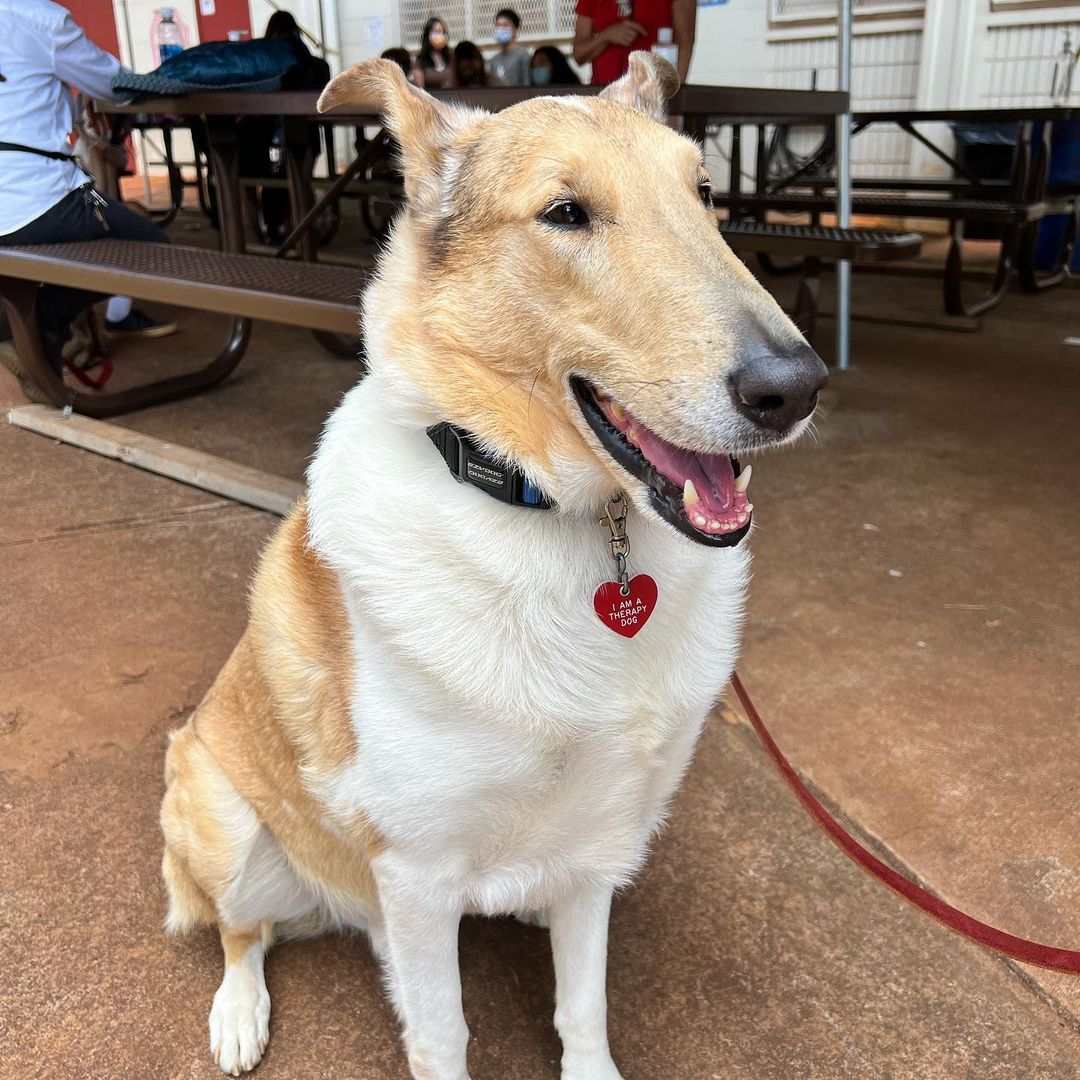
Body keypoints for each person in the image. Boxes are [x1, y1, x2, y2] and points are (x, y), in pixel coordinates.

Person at [0, 0, 176, 373]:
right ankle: (39, 321)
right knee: (154, 249)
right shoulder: (37, 18)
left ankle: (23, 325)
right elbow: (115, 86)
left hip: (19, 201)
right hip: (34, 197)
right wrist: (172, 83)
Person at [243, 11, 331, 244]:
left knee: (273, 185)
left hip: (272, 134)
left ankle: (273, 231)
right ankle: (302, 230)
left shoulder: (269, 58)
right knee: (301, 184)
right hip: (307, 132)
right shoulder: (312, 61)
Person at [573, 0, 695, 85]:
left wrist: (675, 95)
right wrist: (607, 36)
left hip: (651, 94)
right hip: (604, 96)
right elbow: (579, 54)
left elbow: (685, 41)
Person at [488, 8, 530, 87]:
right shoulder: (494, 60)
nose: (501, 29)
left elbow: (527, 85)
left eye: (505, 25)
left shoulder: (523, 55)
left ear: (515, 30)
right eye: (498, 26)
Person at [415, 17, 452, 90]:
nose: (441, 35)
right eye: (437, 32)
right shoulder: (420, 60)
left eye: (443, 32)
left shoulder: (450, 58)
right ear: (427, 35)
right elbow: (420, 89)